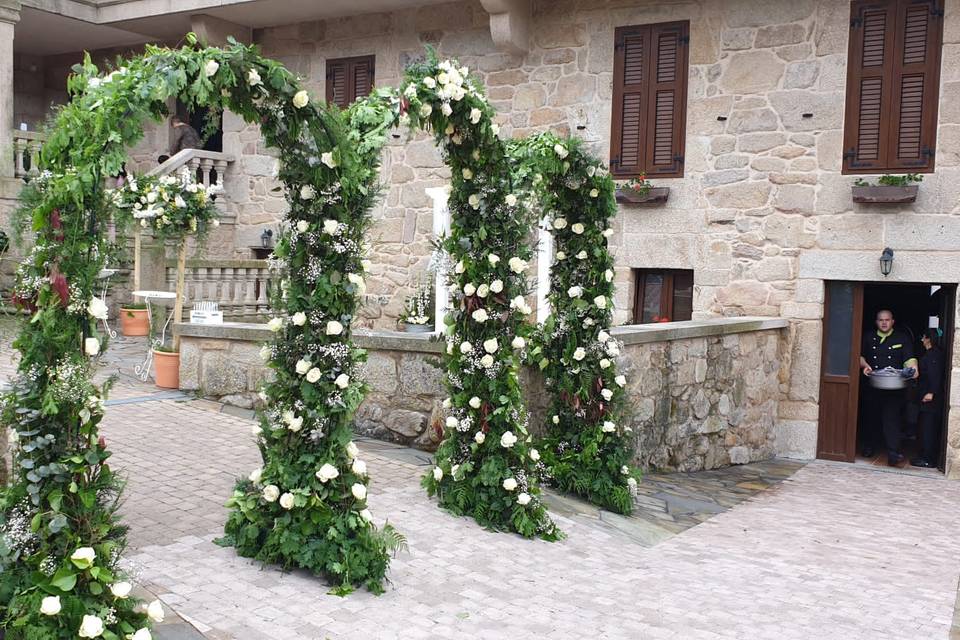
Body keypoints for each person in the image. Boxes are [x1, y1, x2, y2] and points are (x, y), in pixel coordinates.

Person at [860, 309, 919, 465]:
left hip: (894, 387)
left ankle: (894, 453)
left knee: (891, 419)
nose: (884, 322)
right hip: (873, 385)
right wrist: (864, 365)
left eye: (887, 320)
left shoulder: (902, 337)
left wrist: (913, 369)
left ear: (893, 321)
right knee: (870, 417)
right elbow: (858, 355)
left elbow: (909, 358)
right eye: (881, 320)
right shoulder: (868, 337)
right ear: (876, 322)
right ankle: (868, 446)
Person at [910, 328, 945, 468]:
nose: (921, 340)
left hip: (930, 398)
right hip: (927, 396)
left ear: (928, 339)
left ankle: (927, 459)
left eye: (923, 337)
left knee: (928, 428)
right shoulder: (934, 354)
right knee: (926, 426)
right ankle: (925, 456)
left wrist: (931, 392)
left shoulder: (933, 355)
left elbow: (935, 376)